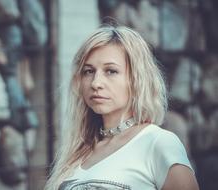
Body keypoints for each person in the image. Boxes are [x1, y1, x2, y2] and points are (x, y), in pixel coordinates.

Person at [45, 25, 199, 190]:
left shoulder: (159, 143)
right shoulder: (76, 153)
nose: (96, 83)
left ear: (137, 79)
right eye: (89, 71)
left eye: (110, 71)